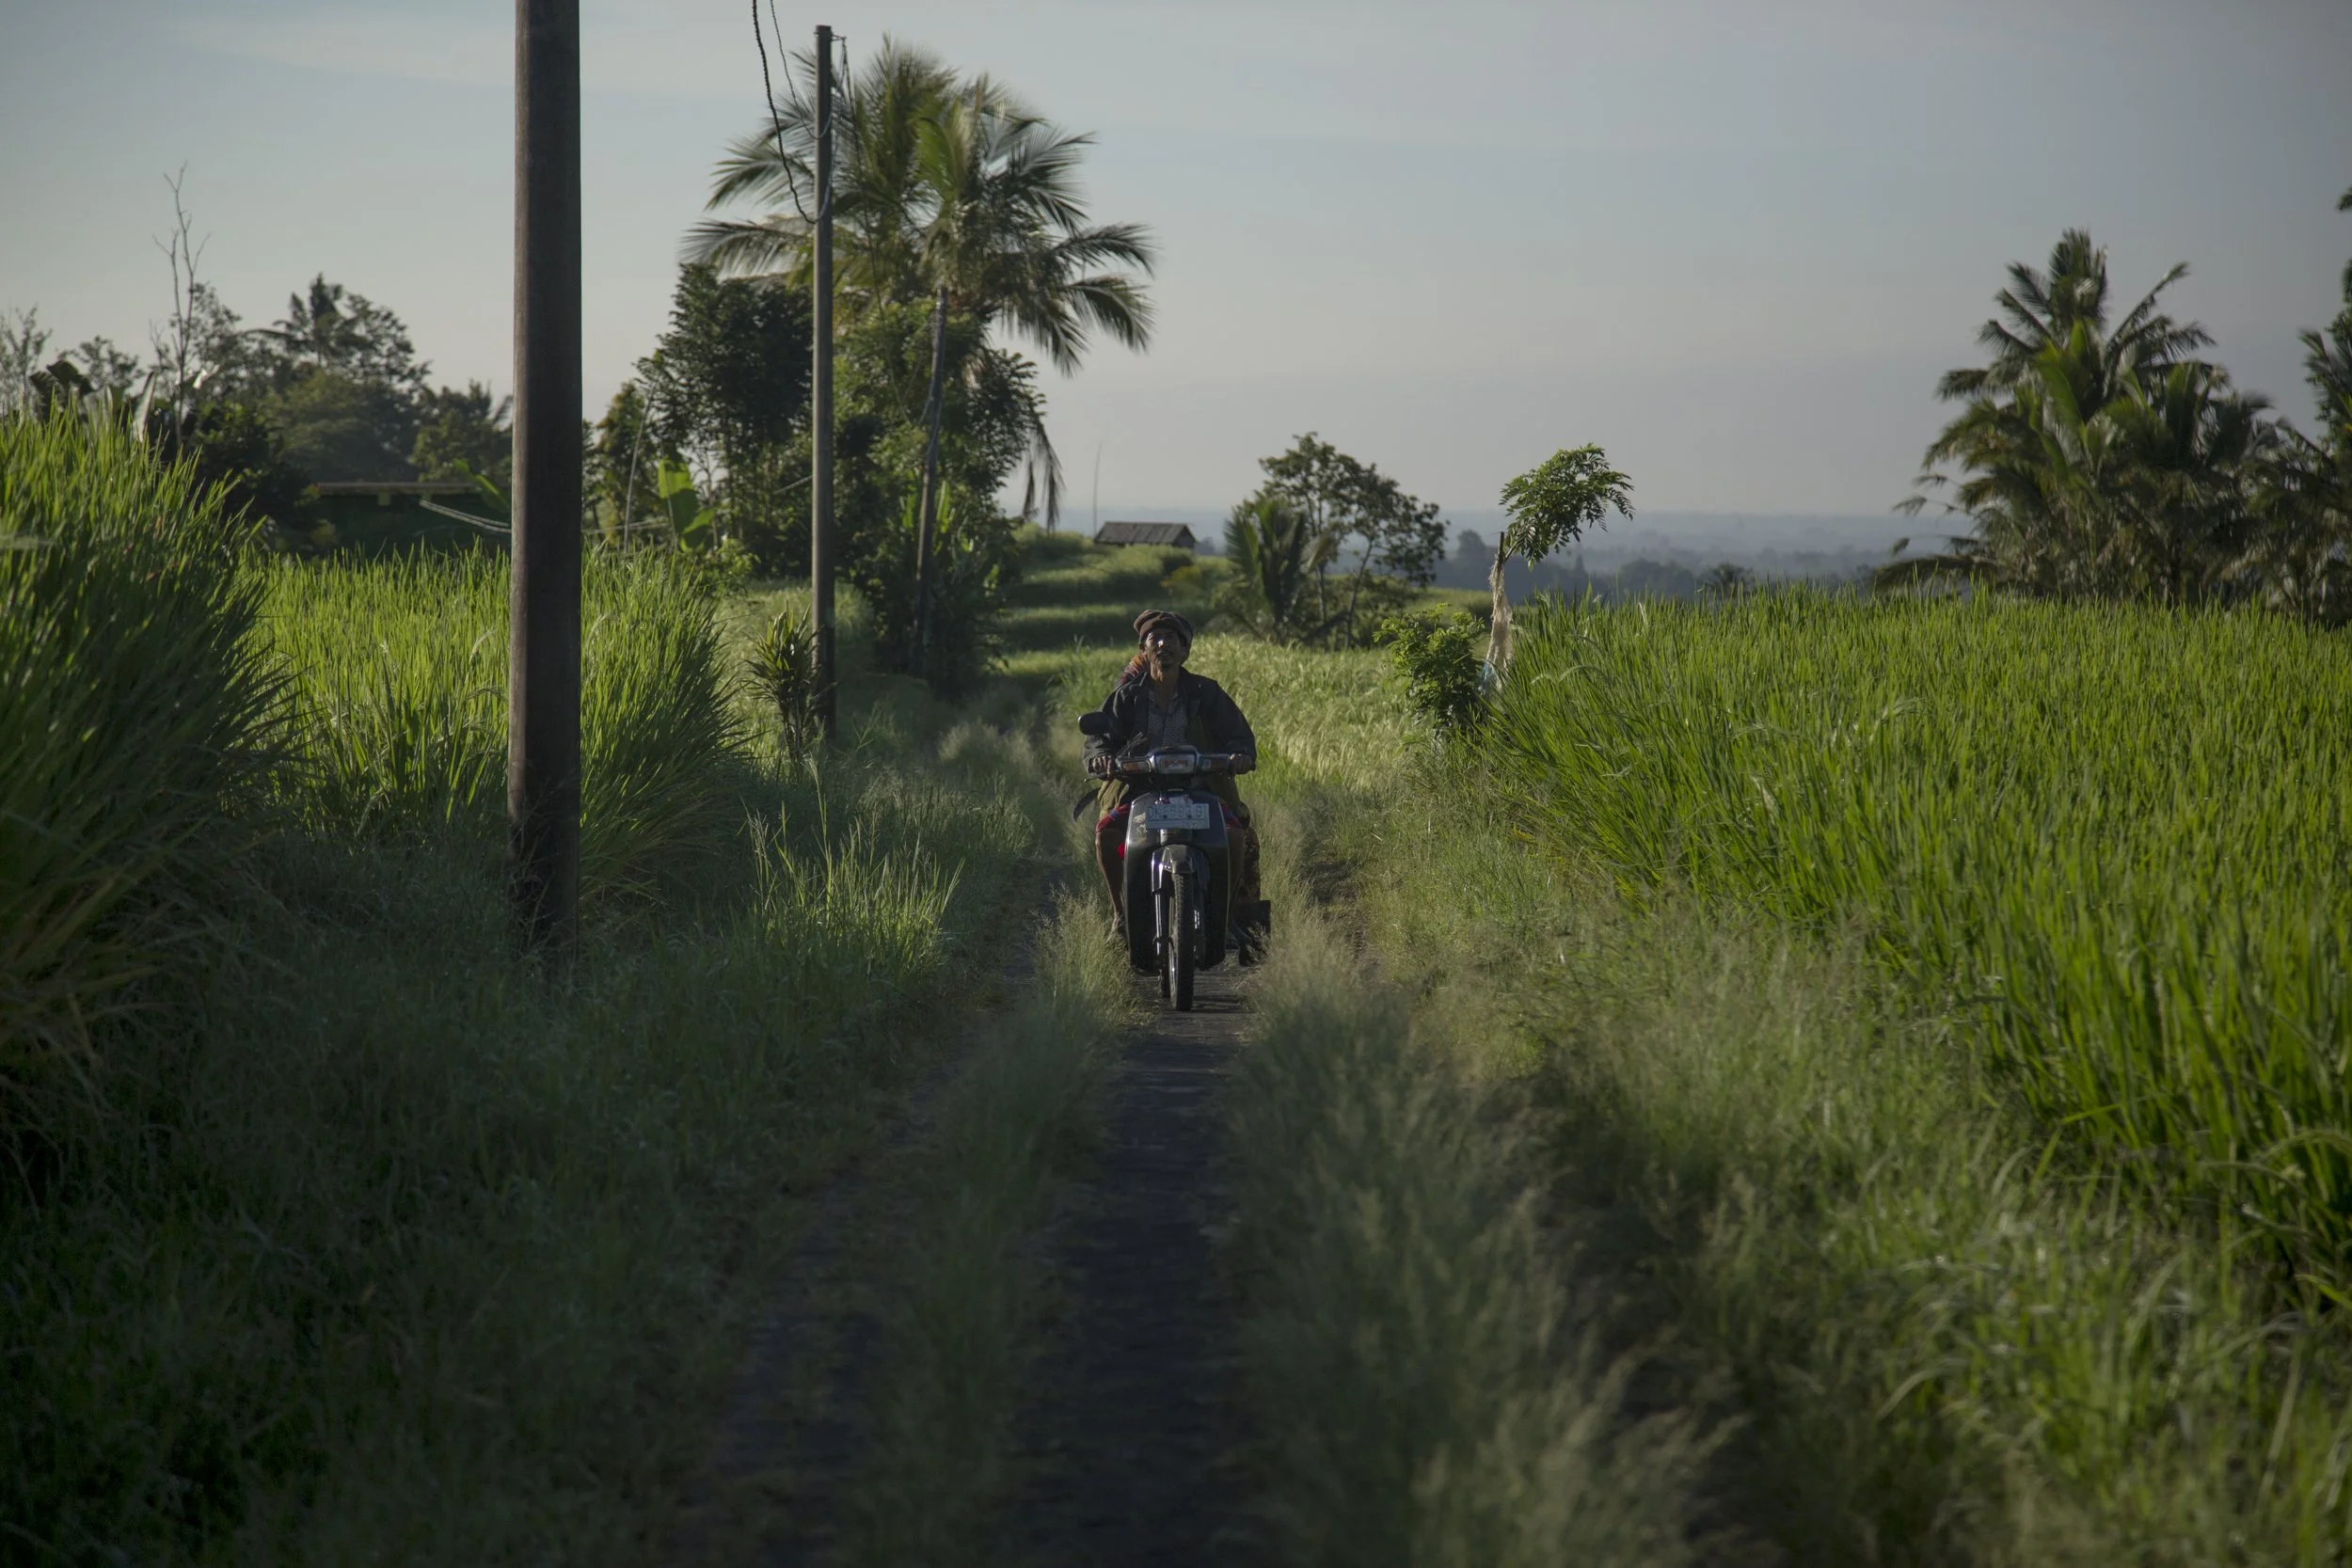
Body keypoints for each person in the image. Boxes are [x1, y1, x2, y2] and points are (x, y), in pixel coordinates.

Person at [1082, 609, 1265, 952]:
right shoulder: (1127, 697)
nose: (1163, 644)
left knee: (1234, 837)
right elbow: (1100, 738)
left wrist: (1239, 755)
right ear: (1144, 649)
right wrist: (1101, 757)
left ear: (1186, 651)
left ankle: (1224, 918)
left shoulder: (1207, 692)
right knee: (1106, 833)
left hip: (1201, 789)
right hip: (1140, 789)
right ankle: (1121, 916)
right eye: (1155, 639)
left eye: (1172, 639)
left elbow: (1238, 735)